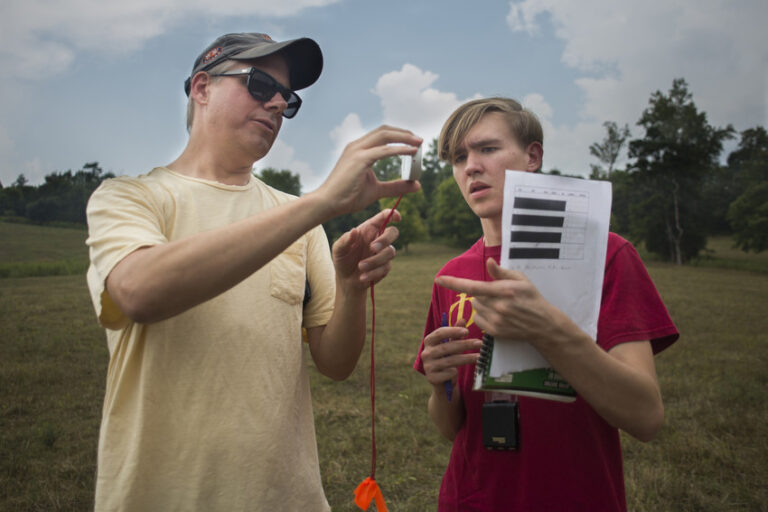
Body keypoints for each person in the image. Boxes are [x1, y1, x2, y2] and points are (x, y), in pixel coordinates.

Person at [85, 32, 421, 511]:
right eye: (260, 84)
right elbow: (139, 291)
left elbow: (336, 362)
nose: (279, 103)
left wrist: (349, 287)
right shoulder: (130, 197)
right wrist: (321, 203)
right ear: (201, 88)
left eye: (289, 98)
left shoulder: (297, 219)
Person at [413, 97, 679, 511]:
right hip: (471, 499)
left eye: (487, 149)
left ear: (532, 155)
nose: (471, 167)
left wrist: (546, 330)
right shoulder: (453, 275)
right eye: (459, 157)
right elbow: (451, 428)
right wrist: (438, 383)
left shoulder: (607, 255)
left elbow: (646, 417)